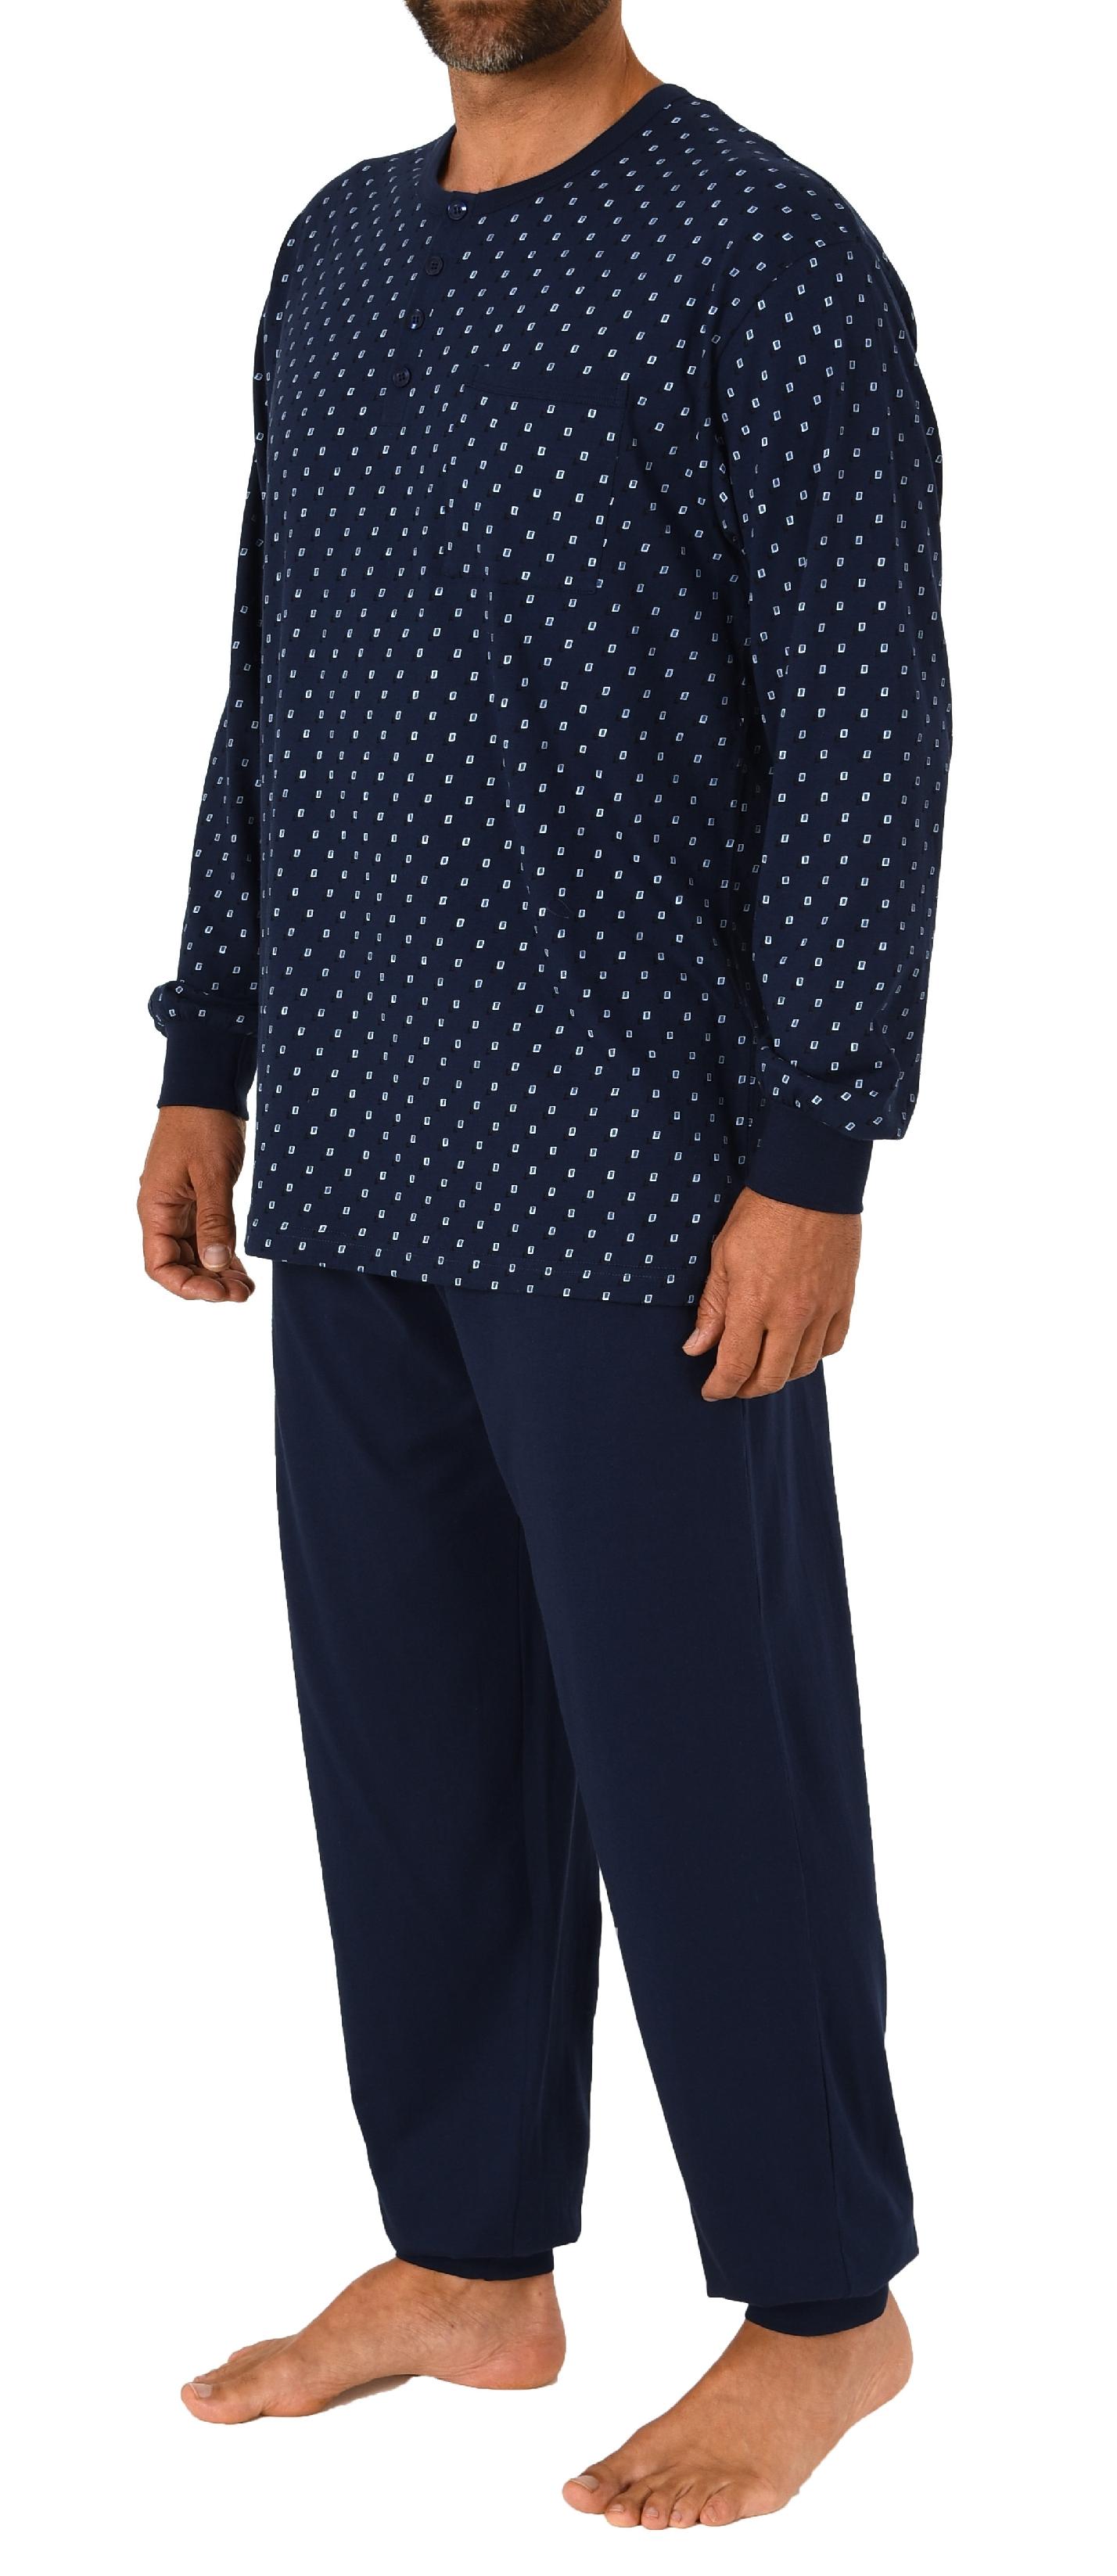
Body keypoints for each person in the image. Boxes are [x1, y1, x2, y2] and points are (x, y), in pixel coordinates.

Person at [138, 0, 950, 2527]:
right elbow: (274, 672)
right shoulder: (334, 252)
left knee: (711, 1757)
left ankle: (822, 2308)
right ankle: (471, 2263)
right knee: (414, 1749)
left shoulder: (767, 255)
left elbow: (865, 717)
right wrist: (208, 1045)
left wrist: (813, 1148)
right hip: (357, 1147)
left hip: (640, 1175)